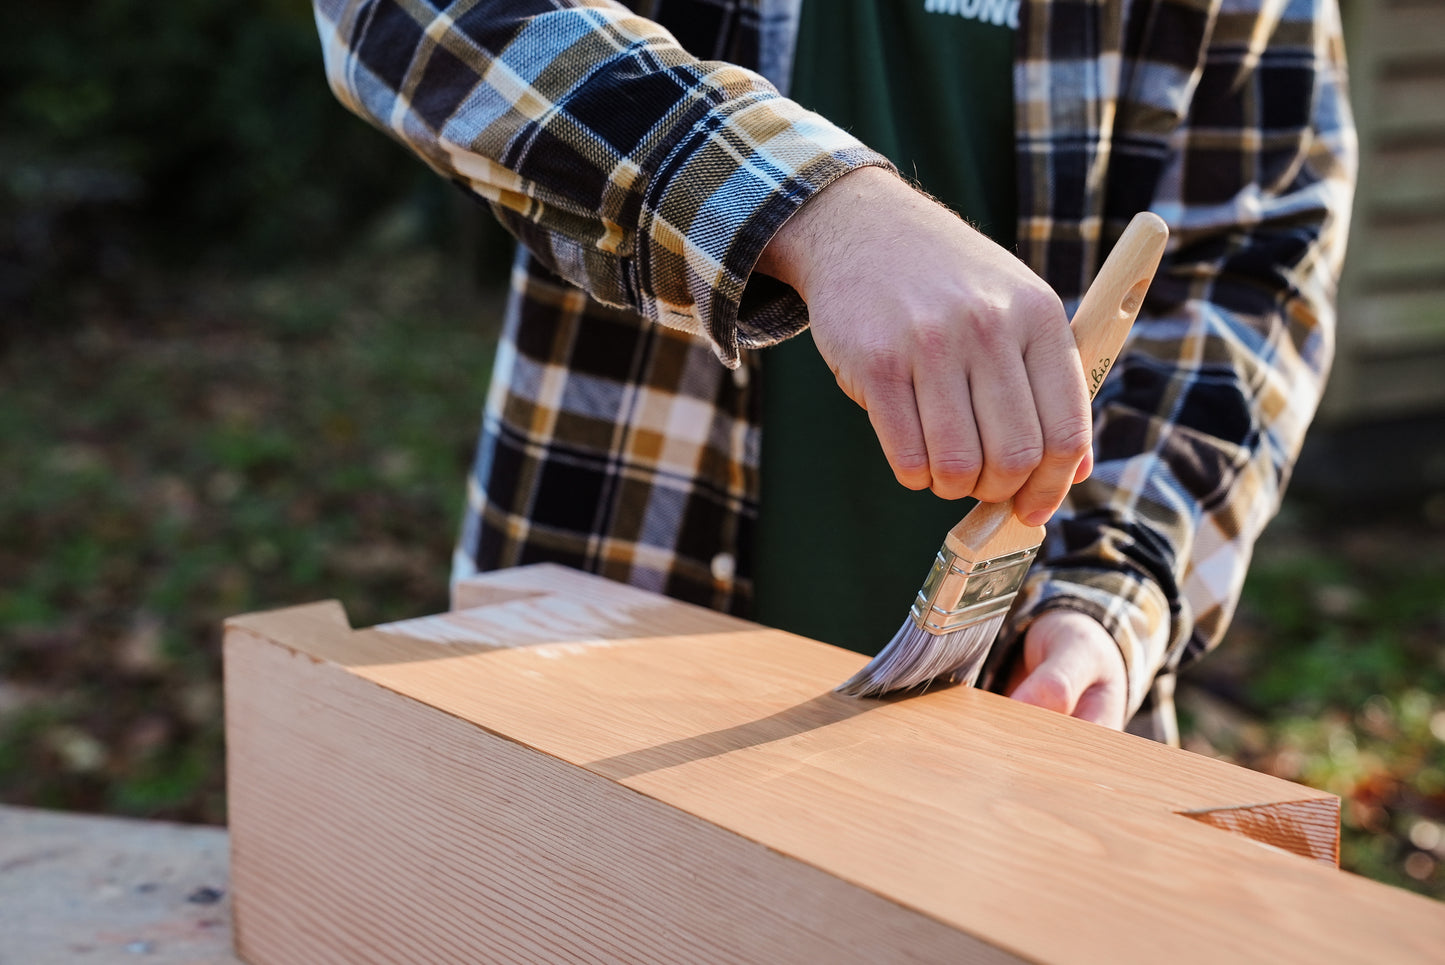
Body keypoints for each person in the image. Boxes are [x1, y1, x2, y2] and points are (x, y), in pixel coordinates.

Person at [312, 0, 1356, 743]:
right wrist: (814, 209)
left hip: (1019, 733)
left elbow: (1245, 272)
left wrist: (1109, 591)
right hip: (589, 636)